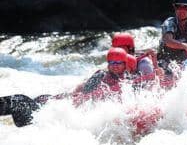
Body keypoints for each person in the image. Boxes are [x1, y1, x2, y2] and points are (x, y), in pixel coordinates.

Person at [0, 47, 131, 127]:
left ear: (125, 64)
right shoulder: (100, 75)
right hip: (56, 106)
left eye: (119, 62)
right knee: (19, 101)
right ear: (108, 64)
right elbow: (82, 94)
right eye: (112, 62)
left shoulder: (126, 81)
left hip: (63, 110)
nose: (115, 65)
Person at [157, 0, 187, 65]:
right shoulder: (169, 22)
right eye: (178, 7)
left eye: (186, 7)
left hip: (184, 63)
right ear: (175, 8)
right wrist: (185, 46)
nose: (182, 10)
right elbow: (168, 41)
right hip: (164, 61)